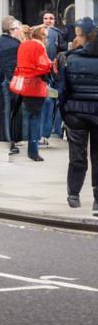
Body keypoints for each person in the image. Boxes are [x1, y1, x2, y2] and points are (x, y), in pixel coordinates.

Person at [59, 17, 98, 213]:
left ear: (84, 36)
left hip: (76, 113)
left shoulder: (71, 59)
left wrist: (64, 112)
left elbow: (63, 90)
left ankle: (73, 194)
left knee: (77, 156)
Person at [12, 25, 54, 161]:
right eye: (45, 35)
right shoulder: (39, 46)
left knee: (30, 116)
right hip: (35, 85)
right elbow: (43, 65)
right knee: (35, 118)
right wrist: (52, 65)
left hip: (24, 84)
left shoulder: (23, 45)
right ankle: (33, 151)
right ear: (40, 35)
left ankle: (30, 147)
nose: (47, 38)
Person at [0, 16, 23, 148]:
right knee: (8, 110)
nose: (20, 30)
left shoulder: (3, 40)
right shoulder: (12, 44)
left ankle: (8, 136)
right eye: (18, 28)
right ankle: (8, 137)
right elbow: (9, 65)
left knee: (6, 110)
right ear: (12, 30)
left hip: (4, 80)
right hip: (9, 81)